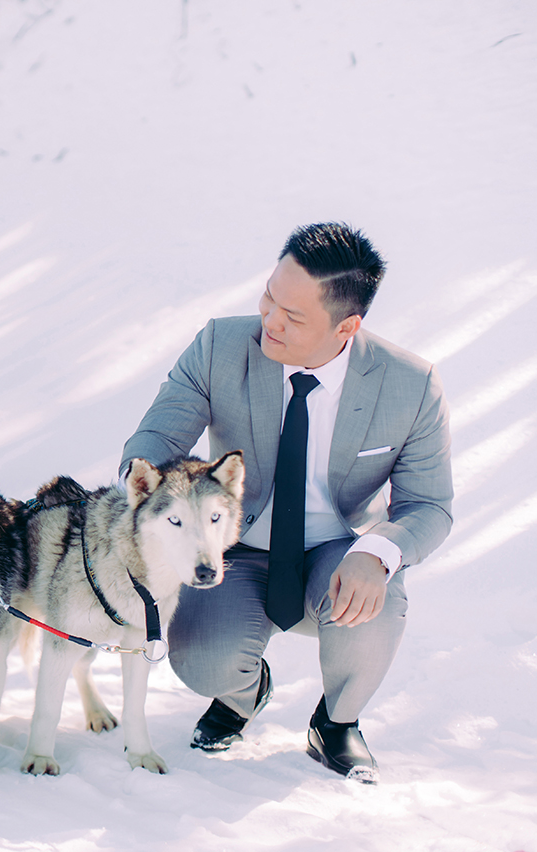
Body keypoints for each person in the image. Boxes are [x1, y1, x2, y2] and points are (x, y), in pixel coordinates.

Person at [120, 223, 452, 784]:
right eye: (270, 296)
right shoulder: (221, 345)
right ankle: (243, 692)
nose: (270, 320)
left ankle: (337, 721)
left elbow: (430, 505)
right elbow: (157, 440)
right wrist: (139, 488)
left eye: (293, 316)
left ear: (346, 326)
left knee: (378, 602)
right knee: (201, 661)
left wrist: (379, 552)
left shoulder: (411, 384)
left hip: (339, 551)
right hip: (237, 548)